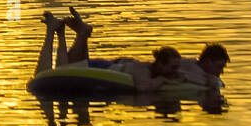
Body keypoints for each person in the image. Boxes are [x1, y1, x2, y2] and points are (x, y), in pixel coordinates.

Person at [35, 7, 223, 92]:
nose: (222, 71)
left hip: (115, 65)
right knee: (46, 74)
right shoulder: (147, 71)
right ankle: (54, 31)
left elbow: (191, 76)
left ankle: (81, 34)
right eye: (220, 66)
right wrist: (165, 80)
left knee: (68, 66)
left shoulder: (186, 66)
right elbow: (143, 86)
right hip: (106, 67)